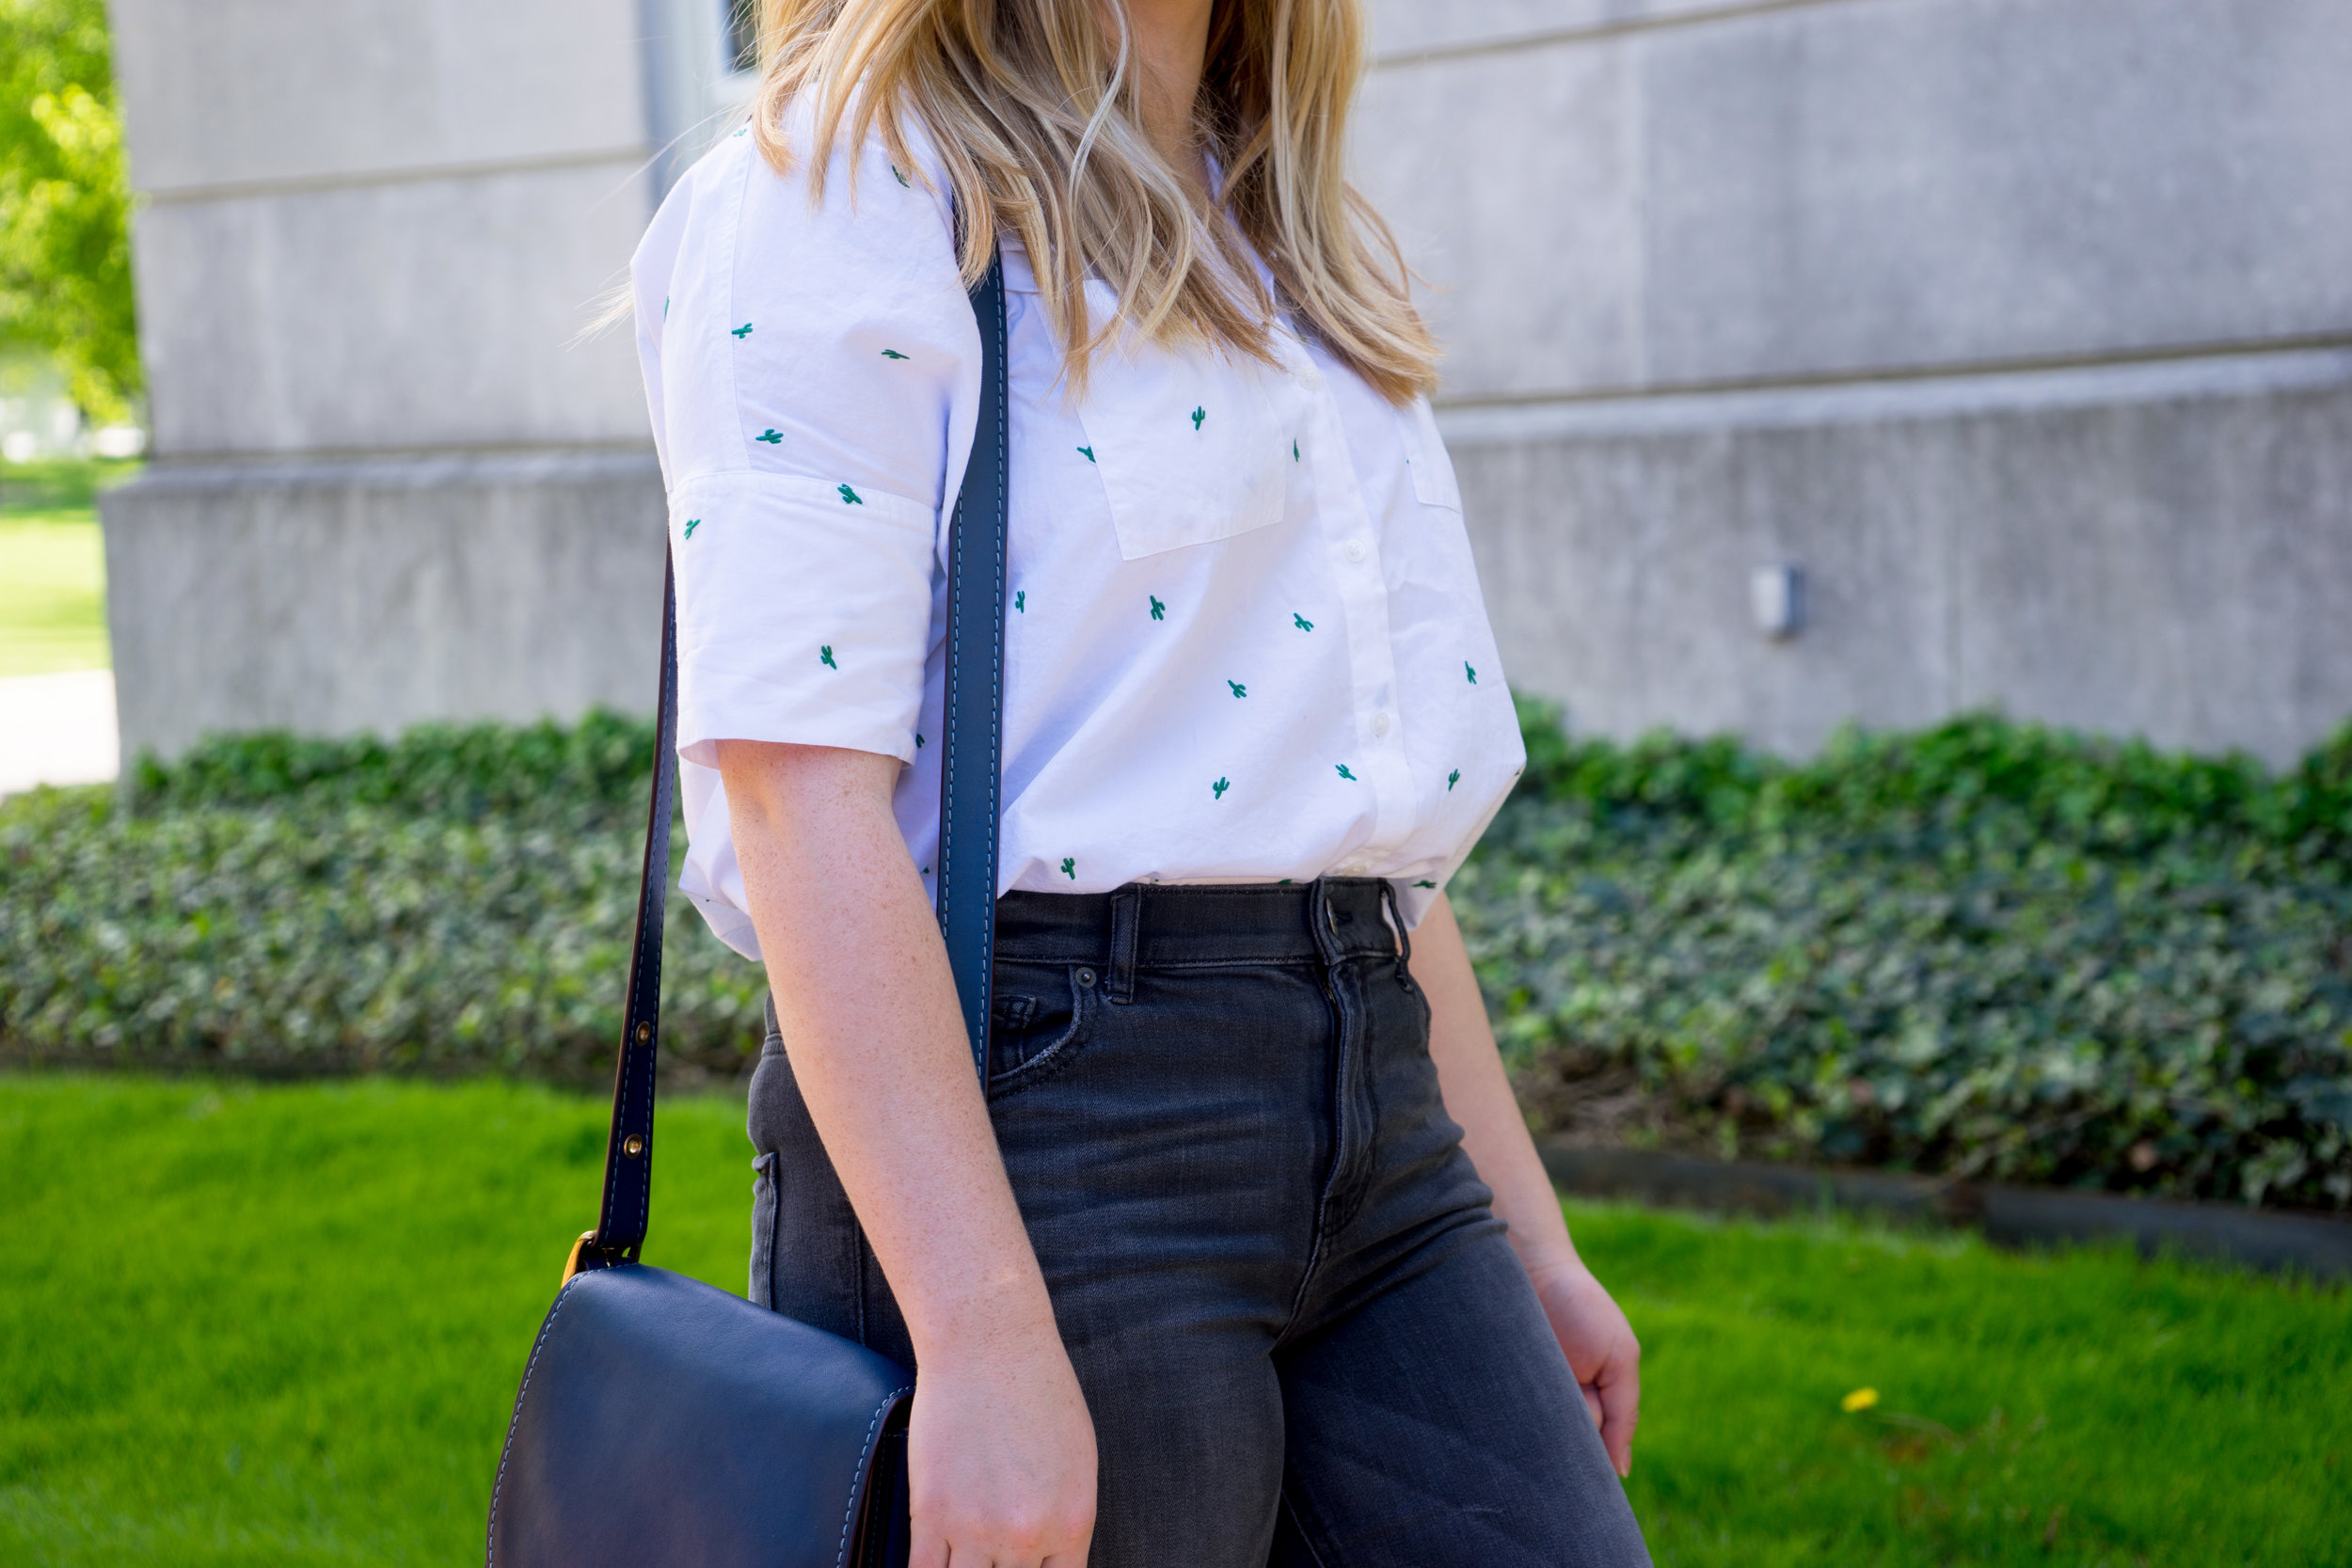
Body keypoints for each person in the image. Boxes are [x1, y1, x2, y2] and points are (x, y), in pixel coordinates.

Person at [628, 2, 1650, 1563]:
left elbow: (1333, 811)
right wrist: (975, 1336)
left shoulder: (1263, 208)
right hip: (1046, 1126)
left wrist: (1530, 1235)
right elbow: (795, 792)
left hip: (1375, 1103)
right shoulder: (852, 190)